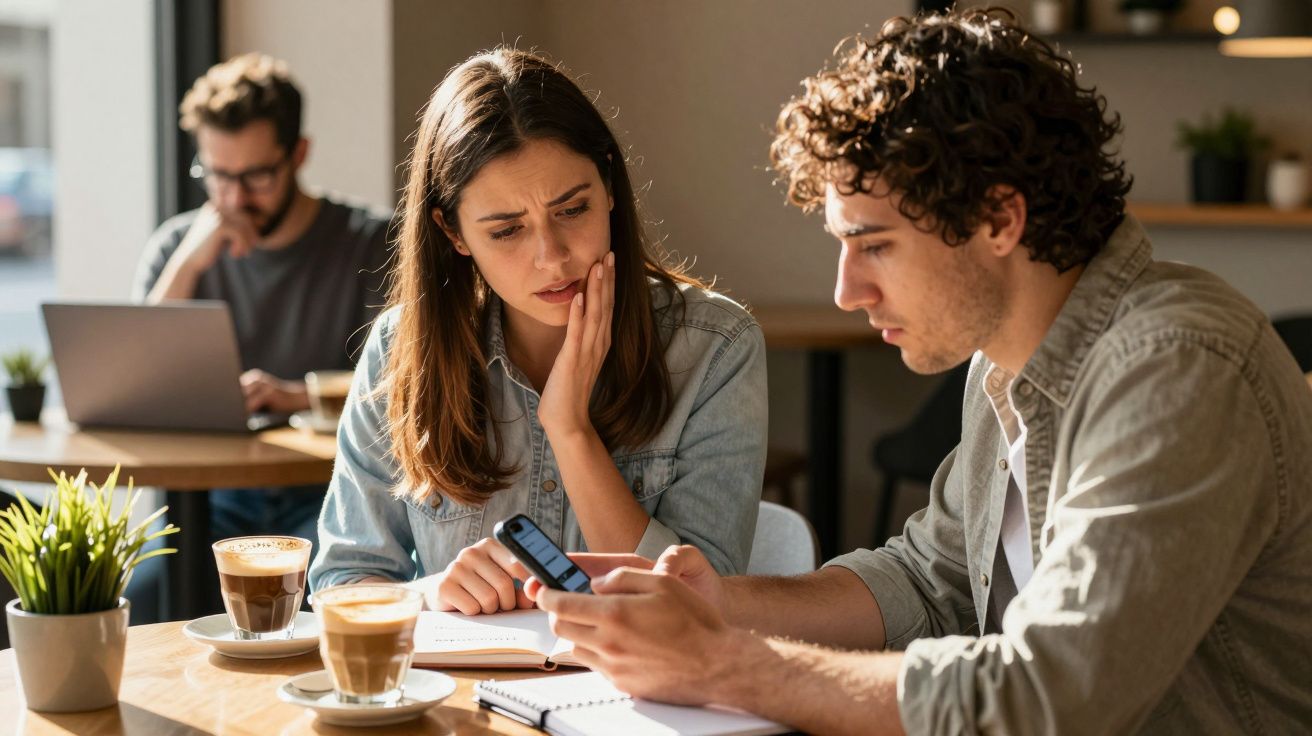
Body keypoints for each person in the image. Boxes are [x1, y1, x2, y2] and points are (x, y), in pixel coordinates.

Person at [532, 8, 1312, 734]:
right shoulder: (1003, 365)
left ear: (1000, 218)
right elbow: (931, 578)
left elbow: (1056, 696)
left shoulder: (1176, 370)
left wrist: (725, 665)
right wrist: (720, 604)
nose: (847, 291)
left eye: (874, 245)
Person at [307, 49, 768, 614]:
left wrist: (569, 429)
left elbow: (699, 606)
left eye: (572, 210)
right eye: (506, 231)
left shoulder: (715, 348)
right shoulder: (400, 351)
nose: (552, 258)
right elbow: (343, 581)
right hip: (459, 700)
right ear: (452, 233)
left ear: (610, 187)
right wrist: (428, 593)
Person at [133, 53, 391, 548]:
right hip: (209, 500)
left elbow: (400, 385)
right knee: (141, 593)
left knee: (319, 596)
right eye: (216, 175)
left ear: (298, 155)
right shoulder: (176, 247)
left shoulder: (371, 242)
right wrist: (188, 265)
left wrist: (294, 396)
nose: (233, 199)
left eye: (255, 177)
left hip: (333, 494)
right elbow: (137, 384)